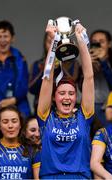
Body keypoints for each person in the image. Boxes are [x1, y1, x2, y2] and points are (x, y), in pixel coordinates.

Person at [37, 21, 94, 179]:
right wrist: (54, 42)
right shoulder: (45, 116)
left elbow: (88, 77)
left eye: (71, 93)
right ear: (54, 98)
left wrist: (80, 39)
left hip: (79, 177)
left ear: (76, 97)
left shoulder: (84, 116)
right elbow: (47, 79)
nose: (67, 97)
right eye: (61, 93)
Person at [29, 31, 81, 115]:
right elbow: (32, 88)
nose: (54, 48)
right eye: (50, 43)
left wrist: (61, 65)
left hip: (67, 104)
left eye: (57, 44)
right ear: (45, 44)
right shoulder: (38, 64)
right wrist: (46, 68)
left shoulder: (73, 63)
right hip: (43, 107)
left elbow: (73, 82)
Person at [0, 20, 31, 118]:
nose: (3, 40)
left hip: (18, 105)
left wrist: (13, 100)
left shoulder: (20, 58)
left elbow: (24, 83)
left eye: (6, 36)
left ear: (12, 38)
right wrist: (0, 102)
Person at [0, 105, 40, 179]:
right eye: (5, 122)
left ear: (20, 124)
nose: (10, 126)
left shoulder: (32, 150)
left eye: (14, 121)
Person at [89, 29, 112, 126]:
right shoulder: (87, 64)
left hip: (109, 108)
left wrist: (103, 62)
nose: (98, 45)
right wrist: (88, 67)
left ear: (109, 44)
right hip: (89, 108)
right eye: (94, 42)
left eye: (101, 42)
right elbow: (81, 88)